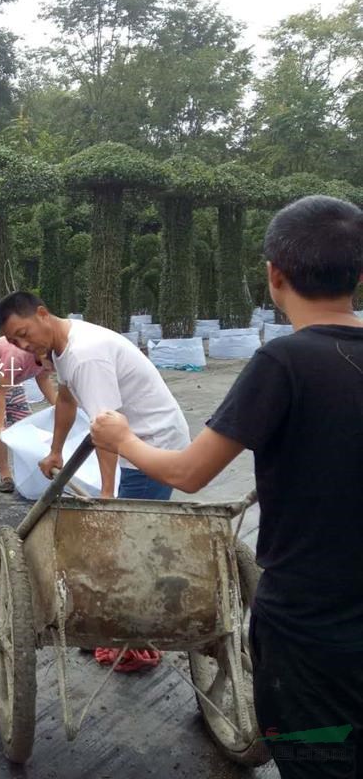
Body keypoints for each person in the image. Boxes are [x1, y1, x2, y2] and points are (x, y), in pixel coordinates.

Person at [91, 195, 363, 778]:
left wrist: (121, 438)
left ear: (274, 275)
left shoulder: (284, 363)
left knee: (321, 754)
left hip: (312, 630)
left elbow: (189, 474)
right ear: (358, 274)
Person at [0, 291, 191, 501]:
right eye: (14, 342)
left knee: (132, 526)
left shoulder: (84, 355)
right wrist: (55, 452)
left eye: (24, 334)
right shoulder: (62, 342)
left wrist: (106, 495)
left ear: (42, 314)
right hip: (136, 439)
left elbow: (105, 425)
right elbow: (65, 399)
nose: (23, 346)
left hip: (154, 443)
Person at [0, 336, 56, 493]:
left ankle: (32, 471)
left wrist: (59, 407)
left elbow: (43, 379)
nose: (53, 370)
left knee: (24, 421)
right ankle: (5, 475)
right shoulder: (17, 356)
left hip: (12, 378)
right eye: (52, 366)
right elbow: (0, 392)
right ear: (42, 355)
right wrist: (1, 426)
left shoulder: (48, 354)